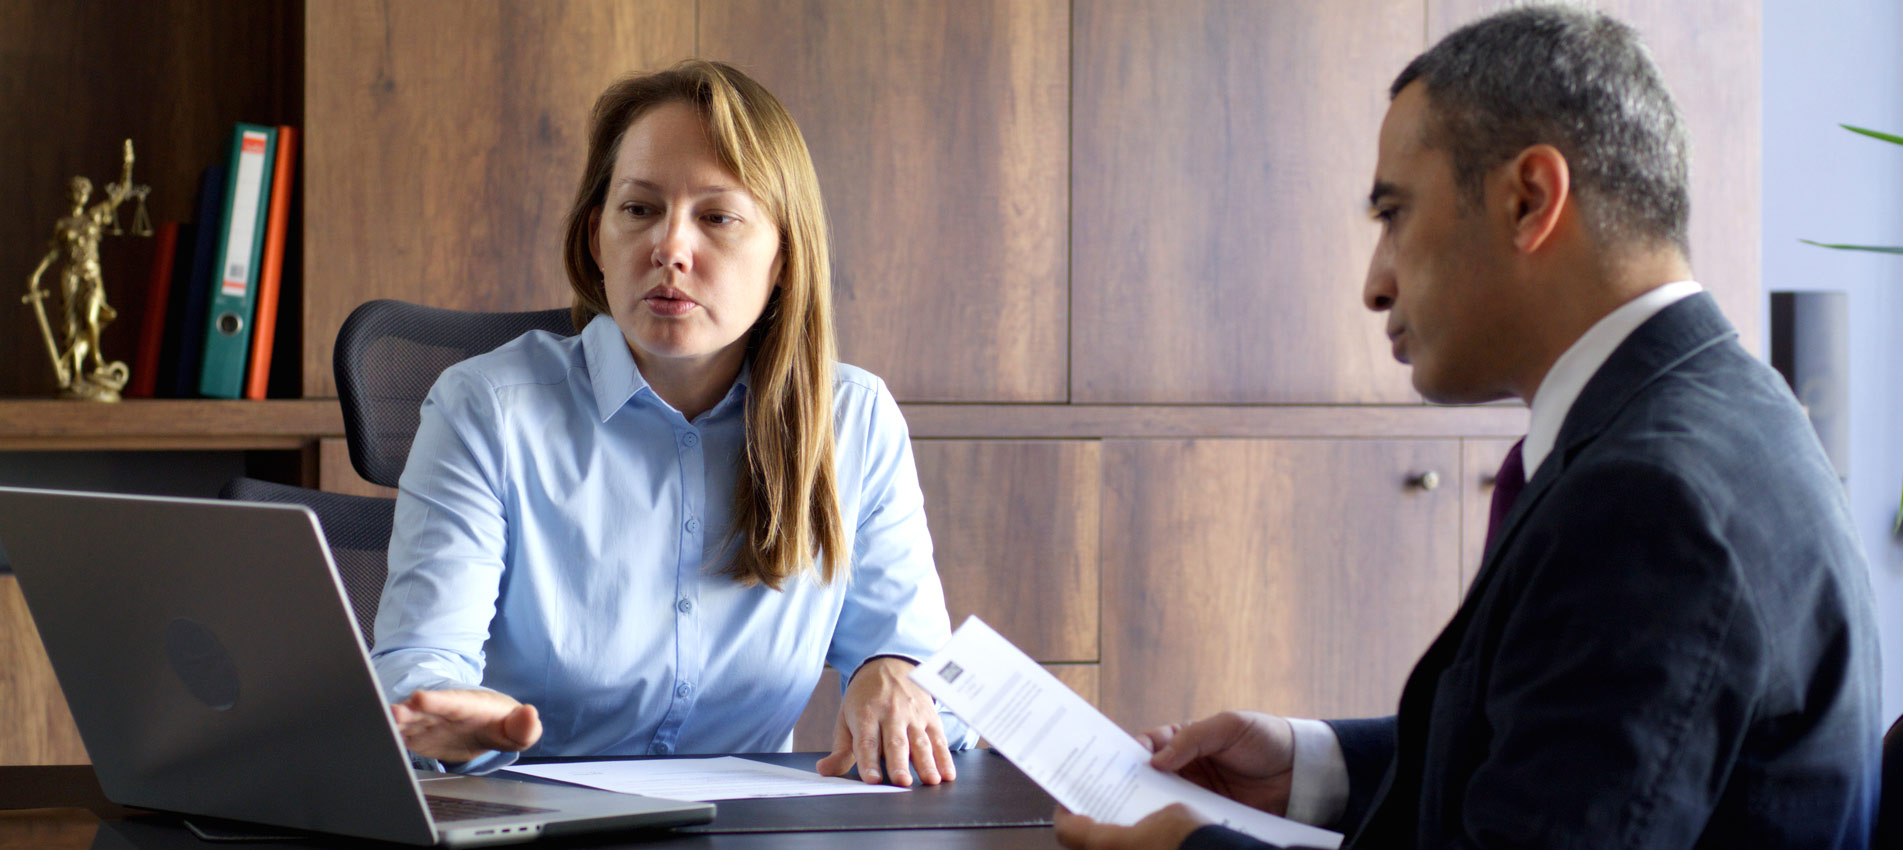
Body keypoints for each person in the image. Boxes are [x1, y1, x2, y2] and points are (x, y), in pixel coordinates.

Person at [1056, 6, 1880, 849]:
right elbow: (1556, 750)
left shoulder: (1650, 503)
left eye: (1393, 214)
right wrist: (1315, 766)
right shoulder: (1721, 411)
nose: (1374, 285)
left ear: (1528, 199)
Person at [370, 59, 974, 786]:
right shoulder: (484, 408)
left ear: (784, 254)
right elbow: (419, 658)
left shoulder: (852, 420)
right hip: (531, 812)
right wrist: (448, 718)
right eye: (639, 209)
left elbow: (925, 672)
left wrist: (893, 672)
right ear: (597, 238)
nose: (669, 248)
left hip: (746, 830)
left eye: (716, 217)